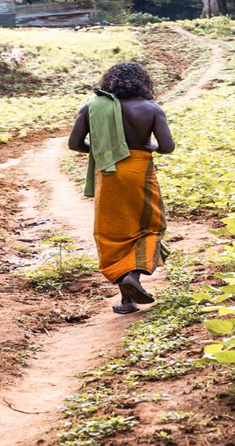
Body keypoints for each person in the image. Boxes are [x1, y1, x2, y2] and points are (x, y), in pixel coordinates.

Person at [68, 61, 175, 314]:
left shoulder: (92, 106)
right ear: (142, 82)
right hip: (139, 172)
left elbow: (74, 143)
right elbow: (167, 147)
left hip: (108, 175)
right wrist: (152, 148)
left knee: (113, 232)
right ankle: (133, 278)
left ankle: (127, 300)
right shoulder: (151, 108)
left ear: (110, 82)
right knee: (150, 226)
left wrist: (102, 152)